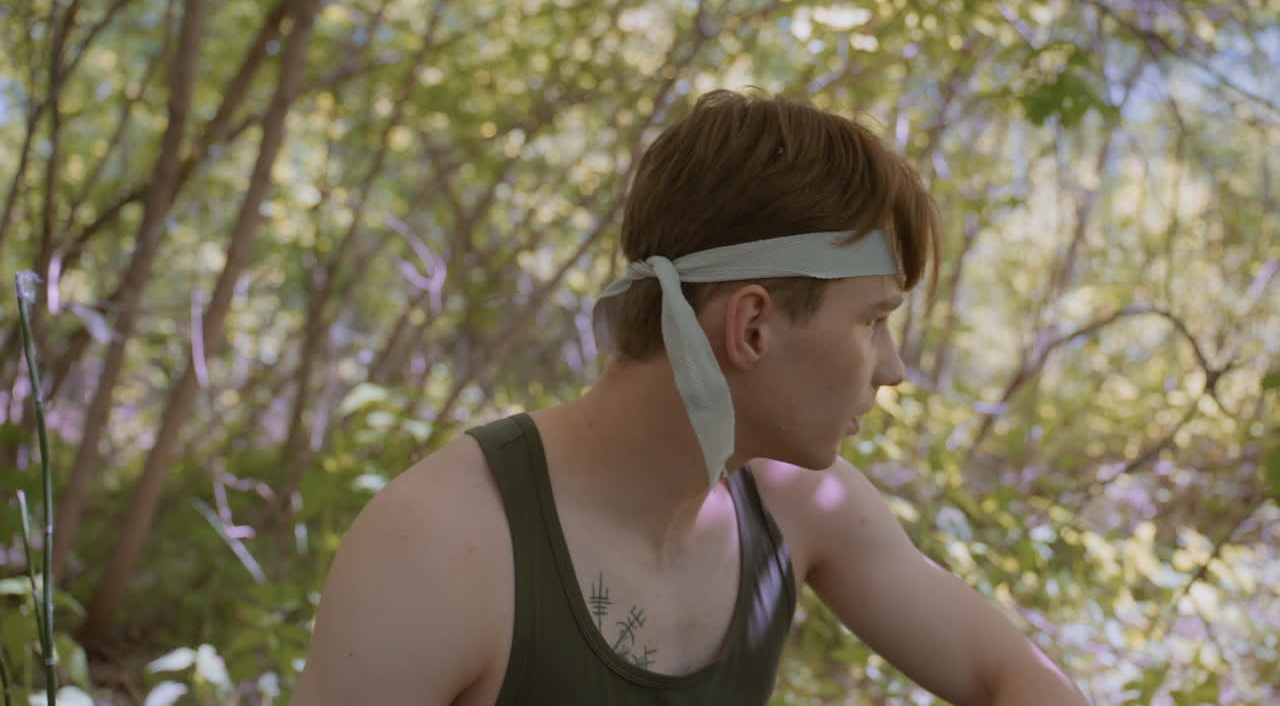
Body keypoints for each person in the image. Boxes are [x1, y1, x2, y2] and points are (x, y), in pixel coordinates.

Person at [292, 89, 1090, 705]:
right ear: (752, 327)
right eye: (874, 321)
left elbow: (1017, 680)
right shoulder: (440, 544)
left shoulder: (799, 507)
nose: (893, 369)